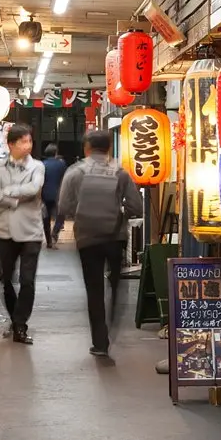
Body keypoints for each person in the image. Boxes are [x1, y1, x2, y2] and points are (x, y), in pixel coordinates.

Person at [58, 129, 143, 357]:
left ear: (86, 147)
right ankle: (113, 324)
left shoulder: (75, 172)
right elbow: (137, 207)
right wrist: (119, 211)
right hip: (115, 238)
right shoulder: (121, 172)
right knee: (115, 286)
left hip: (87, 238)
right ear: (109, 148)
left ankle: (100, 341)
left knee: (94, 289)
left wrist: (81, 212)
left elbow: (64, 206)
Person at [0, 124, 44, 344]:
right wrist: (15, 199)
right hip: (5, 230)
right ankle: (15, 318)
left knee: (28, 280)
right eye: (23, 142)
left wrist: (7, 192)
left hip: (31, 231)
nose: (27, 145)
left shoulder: (37, 166)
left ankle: (20, 325)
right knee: (6, 279)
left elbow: (34, 188)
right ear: (11, 144)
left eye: (30, 141)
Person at [40, 144, 67, 249]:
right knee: (61, 215)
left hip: (45, 194)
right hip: (59, 194)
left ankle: (49, 241)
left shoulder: (42, 164)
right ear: (56, 153)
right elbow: (65, 178)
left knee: (46, 218)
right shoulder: (61, 164)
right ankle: (55, 231)